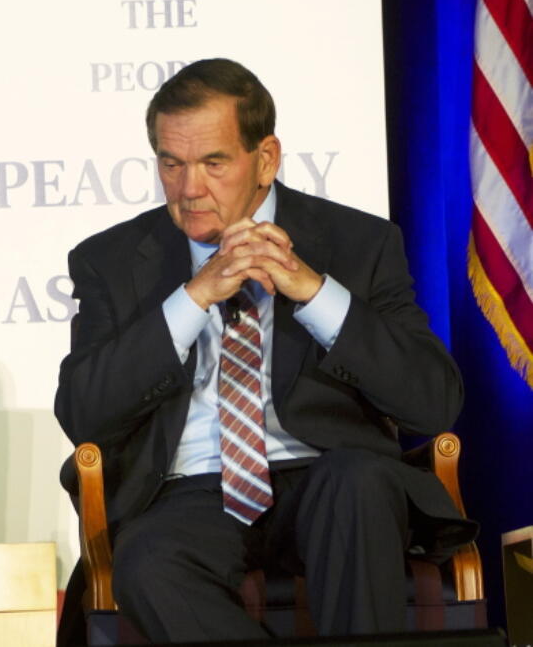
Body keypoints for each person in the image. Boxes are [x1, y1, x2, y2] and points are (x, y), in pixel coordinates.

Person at [54, 58, 475, 642]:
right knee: (147, 559)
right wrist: (194, 296)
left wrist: (314, 291)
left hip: (329, 479)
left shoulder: (360, 242)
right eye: (171, 164)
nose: (189, 188)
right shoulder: (113, 259)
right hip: (191, 490)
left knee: (356, 482)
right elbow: (83, 412)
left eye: (213, 163)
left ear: (267, 159)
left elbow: (432, 402)